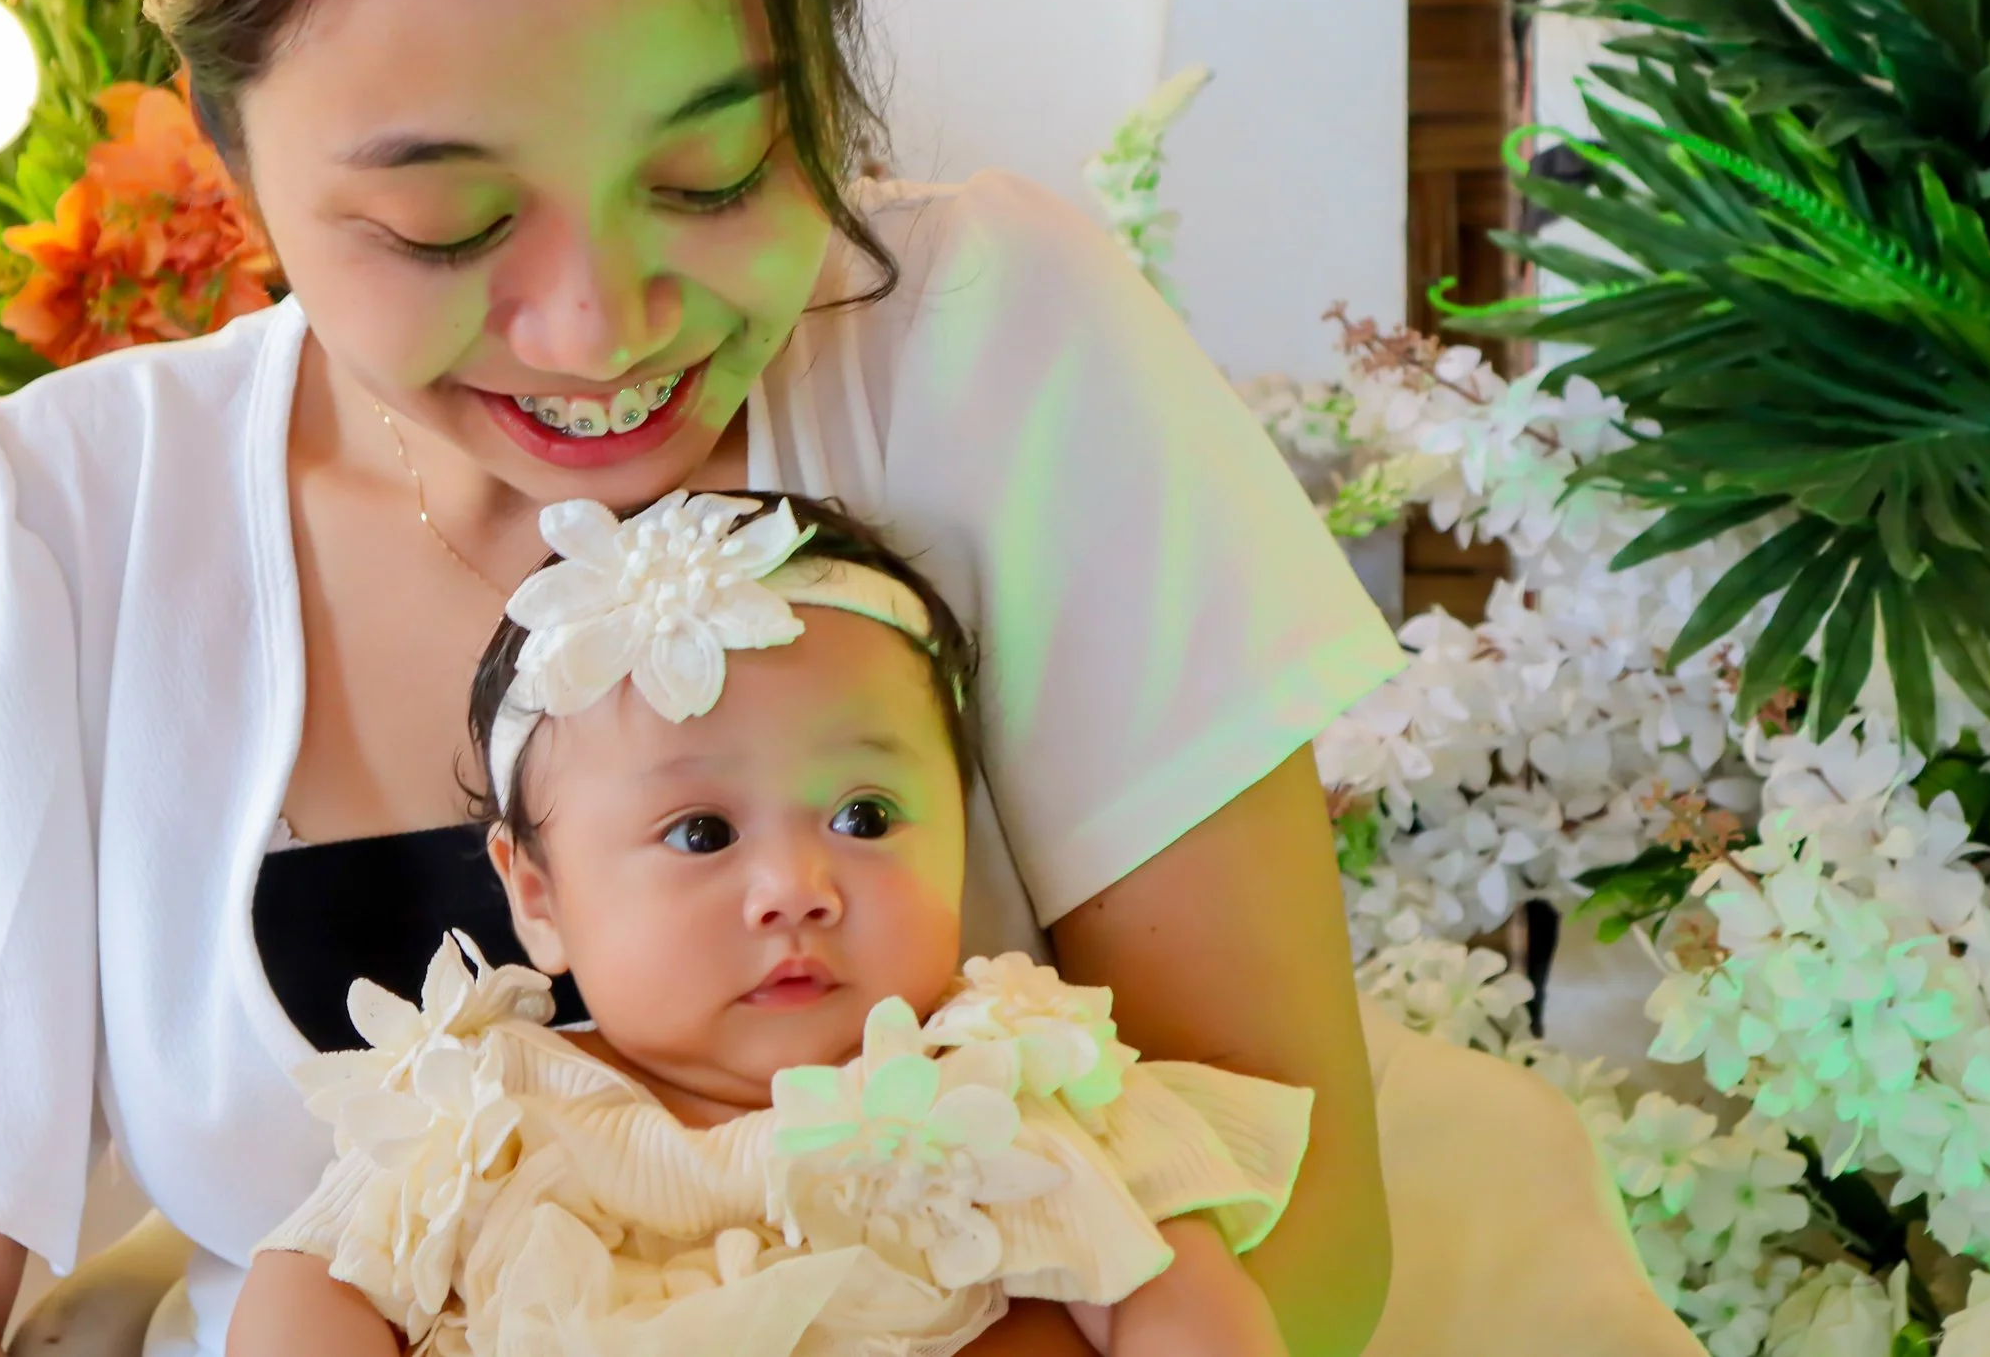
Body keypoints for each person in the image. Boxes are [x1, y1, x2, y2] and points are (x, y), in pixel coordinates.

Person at [0, 0, 1406, 1356]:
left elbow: (1302, 1226)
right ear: (225, 134)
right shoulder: (60, 535)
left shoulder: (992, 356)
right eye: (446, 224)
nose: (597, 330)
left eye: (711, 173)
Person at [231, 490, 1311, 1357]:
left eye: (865, 816)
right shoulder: (487, 1114)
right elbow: (308, 1285)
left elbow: (1175, 1298)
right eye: (702, 833)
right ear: (539, 898)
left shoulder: (1008, 1087)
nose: (795, 887)